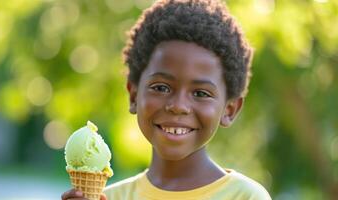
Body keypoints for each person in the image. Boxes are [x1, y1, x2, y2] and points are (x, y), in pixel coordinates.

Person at [62, 0, 272, 199]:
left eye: (200, 93)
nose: (178, 106)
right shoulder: (109, 197)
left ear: (230, 109)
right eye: (161, 87)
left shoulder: (246, 197)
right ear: (134, 95)